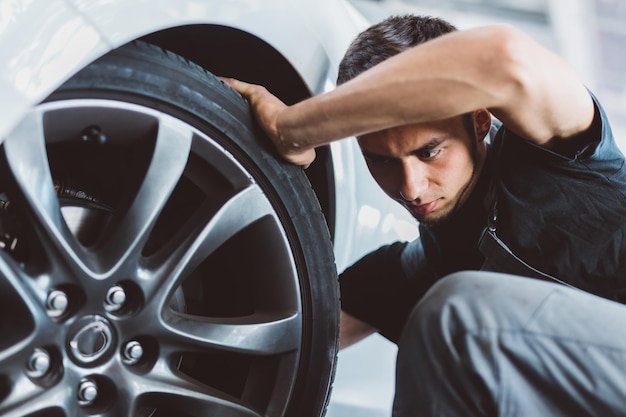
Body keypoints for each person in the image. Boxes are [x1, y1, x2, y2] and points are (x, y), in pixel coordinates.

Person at [222, 13, 626, 416]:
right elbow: (279, 336)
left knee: (457, 320)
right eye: (380, 160)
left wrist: (292, 128)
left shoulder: (559, 154)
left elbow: (505, 57)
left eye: (429, 151)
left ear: (480, 120)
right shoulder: (427, 267)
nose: (410, 188)